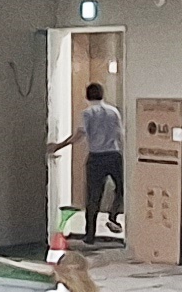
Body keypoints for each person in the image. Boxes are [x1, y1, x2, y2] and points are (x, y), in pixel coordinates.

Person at [47, 82, 127, 242]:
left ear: (87, 96)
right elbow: (121, 134)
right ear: (102, 94)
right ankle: (113, 215)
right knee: (122, 189)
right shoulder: (113, 112)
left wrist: (59, 146)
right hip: (114, 155)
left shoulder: (87, 113)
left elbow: (79, 135)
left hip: (96, 158)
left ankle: (90, 235)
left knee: (93, 196)